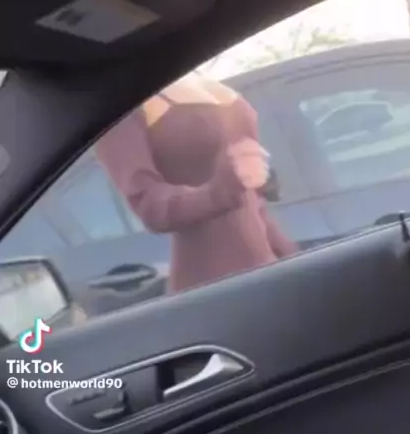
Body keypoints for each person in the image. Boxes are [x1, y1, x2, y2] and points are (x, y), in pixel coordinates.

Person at [96, 73, 297, 294]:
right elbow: (151, 206)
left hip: (269, 272)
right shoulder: (122, 107)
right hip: (213, 289)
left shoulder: (202, 81)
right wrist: (217, 192)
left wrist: (289, 257)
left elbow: (253, 201)